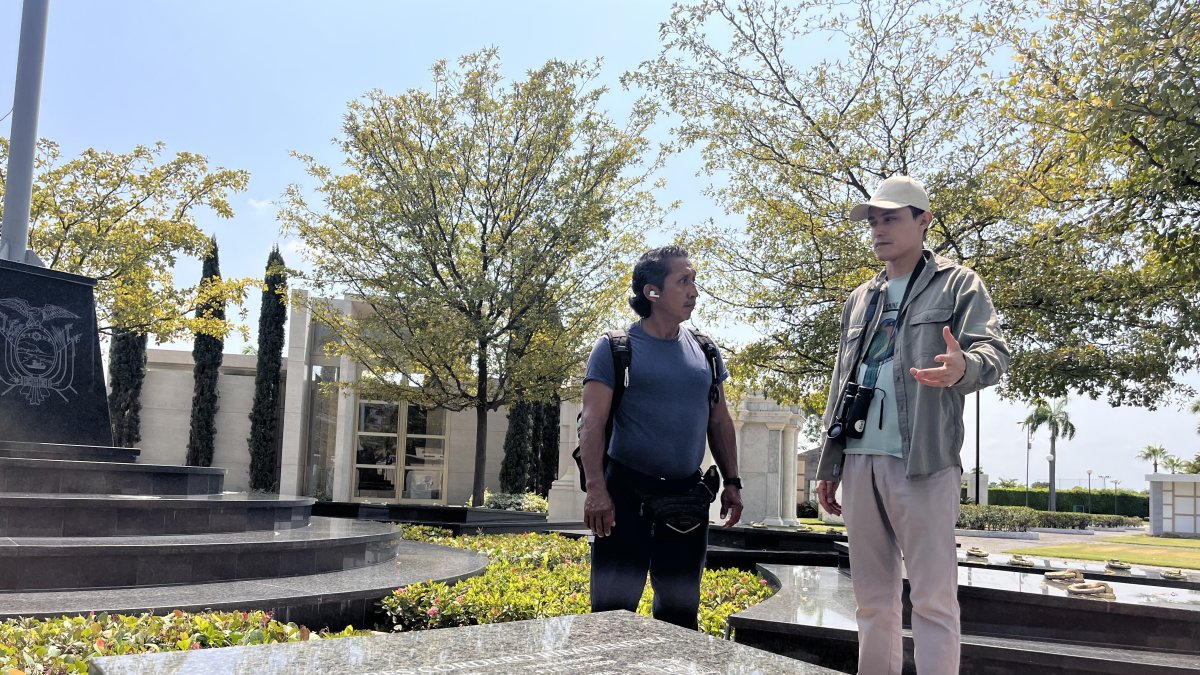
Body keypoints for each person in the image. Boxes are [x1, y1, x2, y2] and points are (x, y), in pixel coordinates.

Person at [815, 176, 1010, 674]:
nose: (878, 230)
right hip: (859, 460)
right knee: (871, 602)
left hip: (923, 460)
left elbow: (994, 352)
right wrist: (828, 461)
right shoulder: (861, 297)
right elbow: (842, 380)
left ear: (923, 221)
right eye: (873, 221)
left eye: (890, 218)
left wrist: (962, 367)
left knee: (933, 600)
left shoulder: (959, 283)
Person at [580, 245, 743, 630]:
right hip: (624, 499)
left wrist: (732, 482)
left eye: (694, 281)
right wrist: (596, 489)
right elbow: (592, 422)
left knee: (680, 616)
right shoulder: (614, 348)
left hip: (686, 500)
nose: (694, 290)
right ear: (652, 292)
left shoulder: (705, 350)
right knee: (611, 616)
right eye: (683, 281)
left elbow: (719, 421)